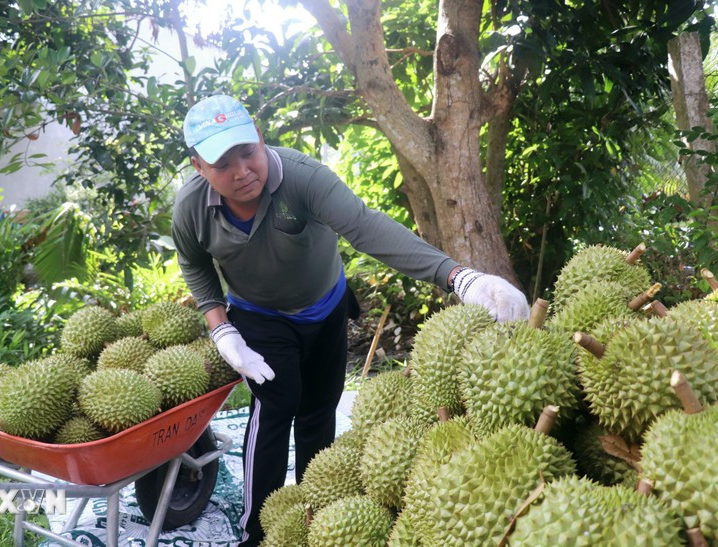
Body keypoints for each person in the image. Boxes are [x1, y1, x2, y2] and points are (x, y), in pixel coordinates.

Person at [171, 94, 529, 546]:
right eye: (223, 163)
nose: (242, 170)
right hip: (259, 315)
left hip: (326, 307)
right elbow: (195, 264)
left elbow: (365, 226)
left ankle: (313, 520)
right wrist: (220, 327)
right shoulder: (190, 209)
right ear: (199, 166)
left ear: (261, 140)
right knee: (278, 404)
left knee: (320, 409)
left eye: (247, 151)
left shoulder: (303, 179)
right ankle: (256, 534)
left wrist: (458, 276)